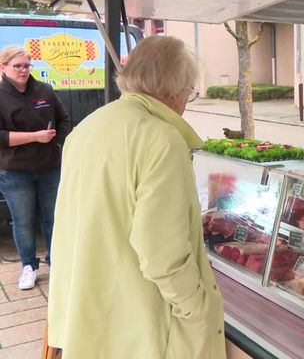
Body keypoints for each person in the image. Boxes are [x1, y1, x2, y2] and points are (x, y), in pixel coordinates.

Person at [47, 36, 226, 358]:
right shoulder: (161, 138)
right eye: (189, 92)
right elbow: (161, 254)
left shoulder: (89, 126)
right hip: (136, 319)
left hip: (89, 302)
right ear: (173, 91)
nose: (186, 102)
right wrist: (197, 307)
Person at [0, 46, 70, 290]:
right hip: (14, 172)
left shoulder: (44, 90)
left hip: (49, 167)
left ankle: (57, 262)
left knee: (53, 218)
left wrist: (57, 143)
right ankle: (29, 267)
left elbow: (63, 119)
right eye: (17, 66)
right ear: (3, 67)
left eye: (26, 65)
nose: (23, 70)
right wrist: (36, 137)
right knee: (23, 221)